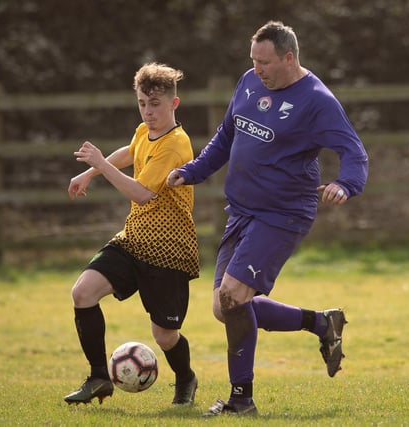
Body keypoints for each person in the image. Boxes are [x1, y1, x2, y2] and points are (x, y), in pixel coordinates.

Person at [167, 21, 368, 416]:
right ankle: (322, 324)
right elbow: (226, 136)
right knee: (224, 308)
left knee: (233, 296)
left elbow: (354, 151)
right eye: (253, 61)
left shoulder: (316, 100)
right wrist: (193, 170)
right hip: (240, 211)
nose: (257, 69)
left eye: (265, 62)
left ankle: (241, 400)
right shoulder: (248, 81)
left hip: (282, 214)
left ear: (289, 58)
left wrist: (346, 184)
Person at [64, 63, 200, 405]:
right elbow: (131, 151)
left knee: (165, 335)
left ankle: (186, 378)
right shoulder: (145, 131)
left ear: (174, 103)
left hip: (169, 250)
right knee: (83, 292)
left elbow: (141, 193)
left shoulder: (175, 145)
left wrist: (100, 165)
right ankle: (99, 377)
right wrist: (91, 174)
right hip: (133, 239)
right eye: (142, 103)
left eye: (155, 104)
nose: (148, 112)